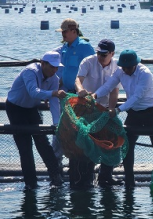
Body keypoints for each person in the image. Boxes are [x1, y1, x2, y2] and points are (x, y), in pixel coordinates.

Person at [93, 49, 153, 189]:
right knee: (127, 146)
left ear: (135, 65)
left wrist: (118, 110)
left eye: (128, 68)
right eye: (123, 67)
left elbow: (137, 97)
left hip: (151, 112)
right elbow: (108, 86)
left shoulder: (145, 74)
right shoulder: (120, 71)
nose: (126, 70)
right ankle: (129, 180)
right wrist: (95, 95)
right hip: (134, 112)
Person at [6, 51, 66, 190]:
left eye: (57, 67)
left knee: (43, 143)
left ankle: (56, 178)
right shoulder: (30, 71)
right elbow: (33, 91)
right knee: (25, 147)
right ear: (42, 63)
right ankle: (31, 183)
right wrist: (53, 93)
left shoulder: (54, 79)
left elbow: (54, 103)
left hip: (32, 108)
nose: (54, 70)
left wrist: (56, 123)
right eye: (52, 66)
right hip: (15, 108)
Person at [53, 18, 95, 189]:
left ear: (73, 31)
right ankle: (64, 171)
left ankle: (86, 174)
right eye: (61, 32)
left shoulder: (85, 47)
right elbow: (63, 70)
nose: (62, 35)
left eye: (64, 31)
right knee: (65, 132)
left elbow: (93, 69)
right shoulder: (64, 48)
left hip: (81, 98)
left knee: (82, 132)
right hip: (66, 96)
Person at [75, 39, 121, 188]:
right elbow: (78, 79)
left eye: (104, 54)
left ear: (112, 54)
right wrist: (80, 89)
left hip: (106, 108)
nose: (100, 56)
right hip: (88, 108)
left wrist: (111, 110)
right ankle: (86, 178)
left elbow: (115, 91)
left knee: (112, 141)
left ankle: (106, 176)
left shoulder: (117, 66)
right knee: (88, 143)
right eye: (98, 52)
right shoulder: (88, 61)